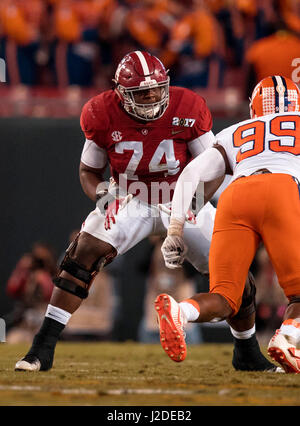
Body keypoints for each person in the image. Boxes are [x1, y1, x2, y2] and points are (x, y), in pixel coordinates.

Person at [15, 50, 276, 372]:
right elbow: (88, 171)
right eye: (142, 92)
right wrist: (102, 194)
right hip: (131, 197)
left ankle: (247, 352)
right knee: (81, 255)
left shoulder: (188, 106)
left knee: (235, 275)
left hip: (180, 196)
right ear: (121, 94)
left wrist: (190, 206)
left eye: (157, 88)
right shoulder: (100, 112)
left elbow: (214, 167)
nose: (152, 96)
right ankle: (42, 348)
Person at [156, 75, 300, 373]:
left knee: (225, 297)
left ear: (254, 107)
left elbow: (190, 174)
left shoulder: (236, 131)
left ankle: (180, 311)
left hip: (235, 197)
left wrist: (175, 229)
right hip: (282, 191)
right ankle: (288, 337)